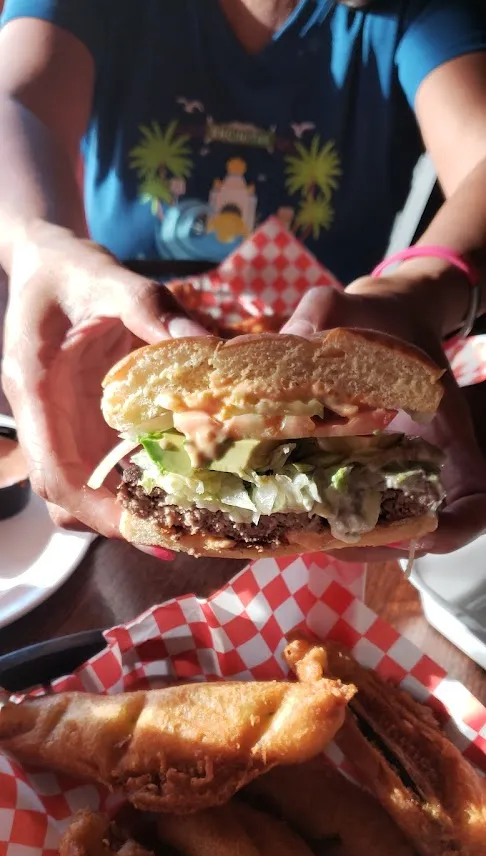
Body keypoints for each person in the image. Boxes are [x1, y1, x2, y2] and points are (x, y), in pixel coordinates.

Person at [0, 0, 485, 562]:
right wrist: (37, 243)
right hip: (103, 350)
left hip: (344, 326)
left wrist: (419, 288)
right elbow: (16, 98)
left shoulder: (408, 12)